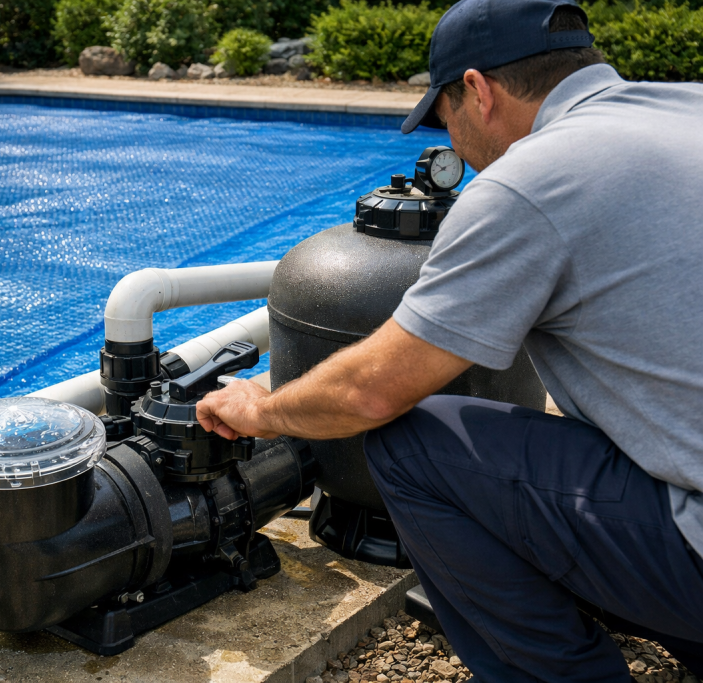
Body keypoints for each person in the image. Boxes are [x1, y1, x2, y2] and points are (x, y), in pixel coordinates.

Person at [195, 0, 703, 679]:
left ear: (478, 91)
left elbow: (370, 391)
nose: (455, 147)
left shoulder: (532, 180)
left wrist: (259, 409)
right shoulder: (686, 107)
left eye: (444, 120)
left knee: (414, 445)